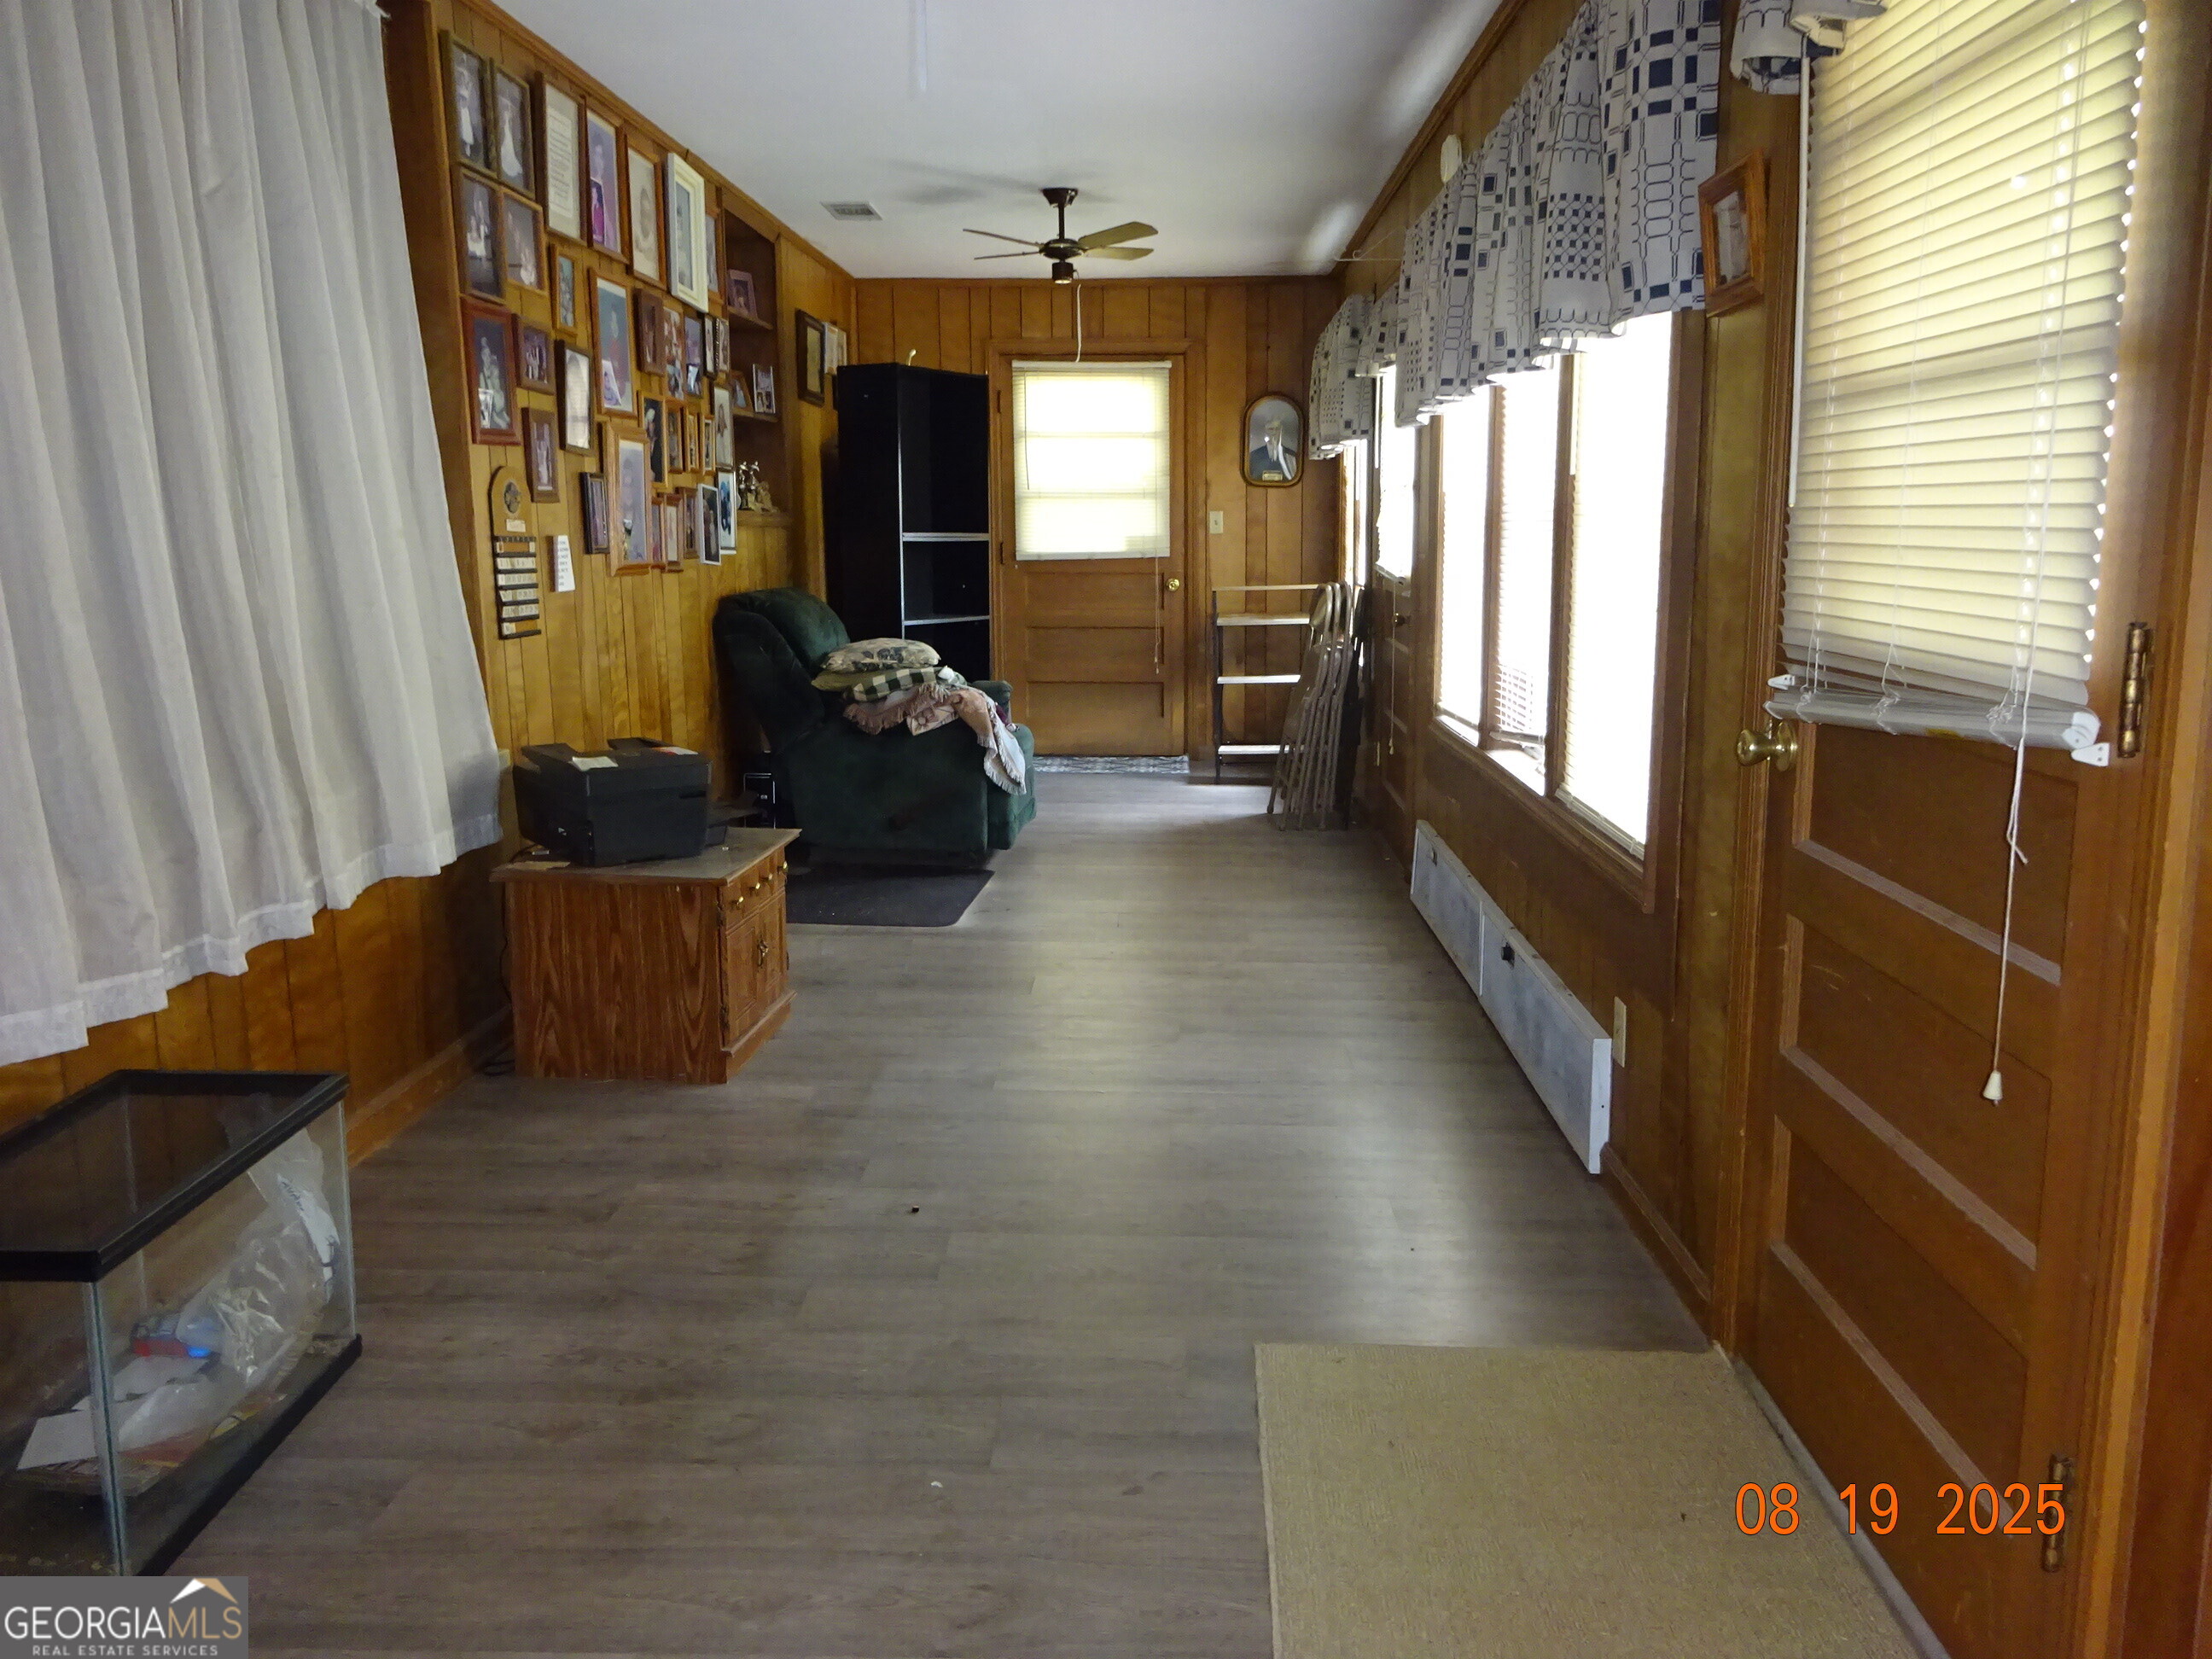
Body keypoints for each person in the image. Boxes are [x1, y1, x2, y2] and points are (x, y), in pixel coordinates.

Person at [1249, 416, 1295, 483]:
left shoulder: (1291, 455)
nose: (1274, 432)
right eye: (1271, 429)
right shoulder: (1254, 455)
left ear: (1281, 431)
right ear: (1265, 431)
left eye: (1277, 429)